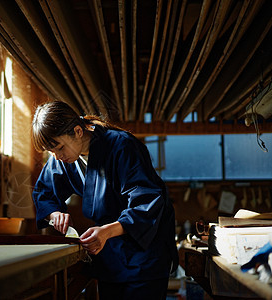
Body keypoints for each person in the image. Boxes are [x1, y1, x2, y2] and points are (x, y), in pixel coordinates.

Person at [31, 101, 178, 299]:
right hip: (109, 253)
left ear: (78, 131)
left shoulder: (121, 145)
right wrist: (54, 213)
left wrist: (107, 231)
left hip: (144, 252)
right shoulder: (65, 158)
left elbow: (147, 200)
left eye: (59, 148)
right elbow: (44, 191)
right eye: (51, 152)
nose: (56, 157)